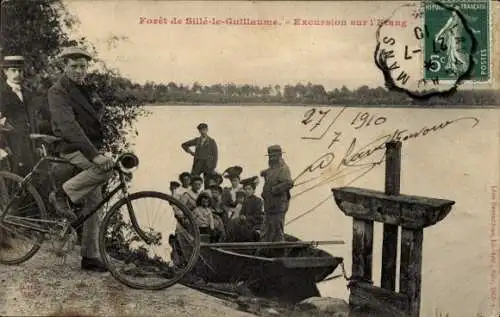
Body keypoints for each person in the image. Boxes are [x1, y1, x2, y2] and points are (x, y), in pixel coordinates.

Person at [47, 46, 114, 272]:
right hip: (69, 147)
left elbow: (93, 117)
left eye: (83, 66)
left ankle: (90, 256)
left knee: (95, 198)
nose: (79, 70)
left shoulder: (84, 88)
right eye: (74, 66)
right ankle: (61, 195)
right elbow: (68, 127)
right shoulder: (58, 91)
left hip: (87, 147)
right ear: (64, 66)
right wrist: (95, 155)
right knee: (105, 171)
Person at [0, 55, 51, 175]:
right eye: (13, 70)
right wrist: (2, 146)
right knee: (13, 181)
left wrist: (38, 144)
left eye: (20, 70)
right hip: (11, 145)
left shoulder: (28, 93)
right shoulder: (2, 93)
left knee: (32, 180)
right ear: (5, 71)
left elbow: (33, 120)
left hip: (30, 145)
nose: (17, 73)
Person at [260, 145, 294, 242]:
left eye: (274, 156)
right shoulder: (271, 169)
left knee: (277, 230)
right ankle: (264, 250)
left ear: (279, 156)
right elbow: (268, 173)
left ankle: (279, 251)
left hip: (278, 206)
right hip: (268, 205)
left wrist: (276, 189)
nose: (271, 158)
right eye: (270, 156)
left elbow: (289, 183)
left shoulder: (284, 169)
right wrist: (263, 173)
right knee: (266, 229)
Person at [227, 176, 263, 242]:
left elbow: (258, 215)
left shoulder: (258, 201)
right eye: (246, 189)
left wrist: (246, 217)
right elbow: (241, 213)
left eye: (249, 189)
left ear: (253, 190)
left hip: (255, 222)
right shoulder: (244, 201)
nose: (247, 191)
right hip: (244, 222)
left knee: (244, 228)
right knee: (233, 223)